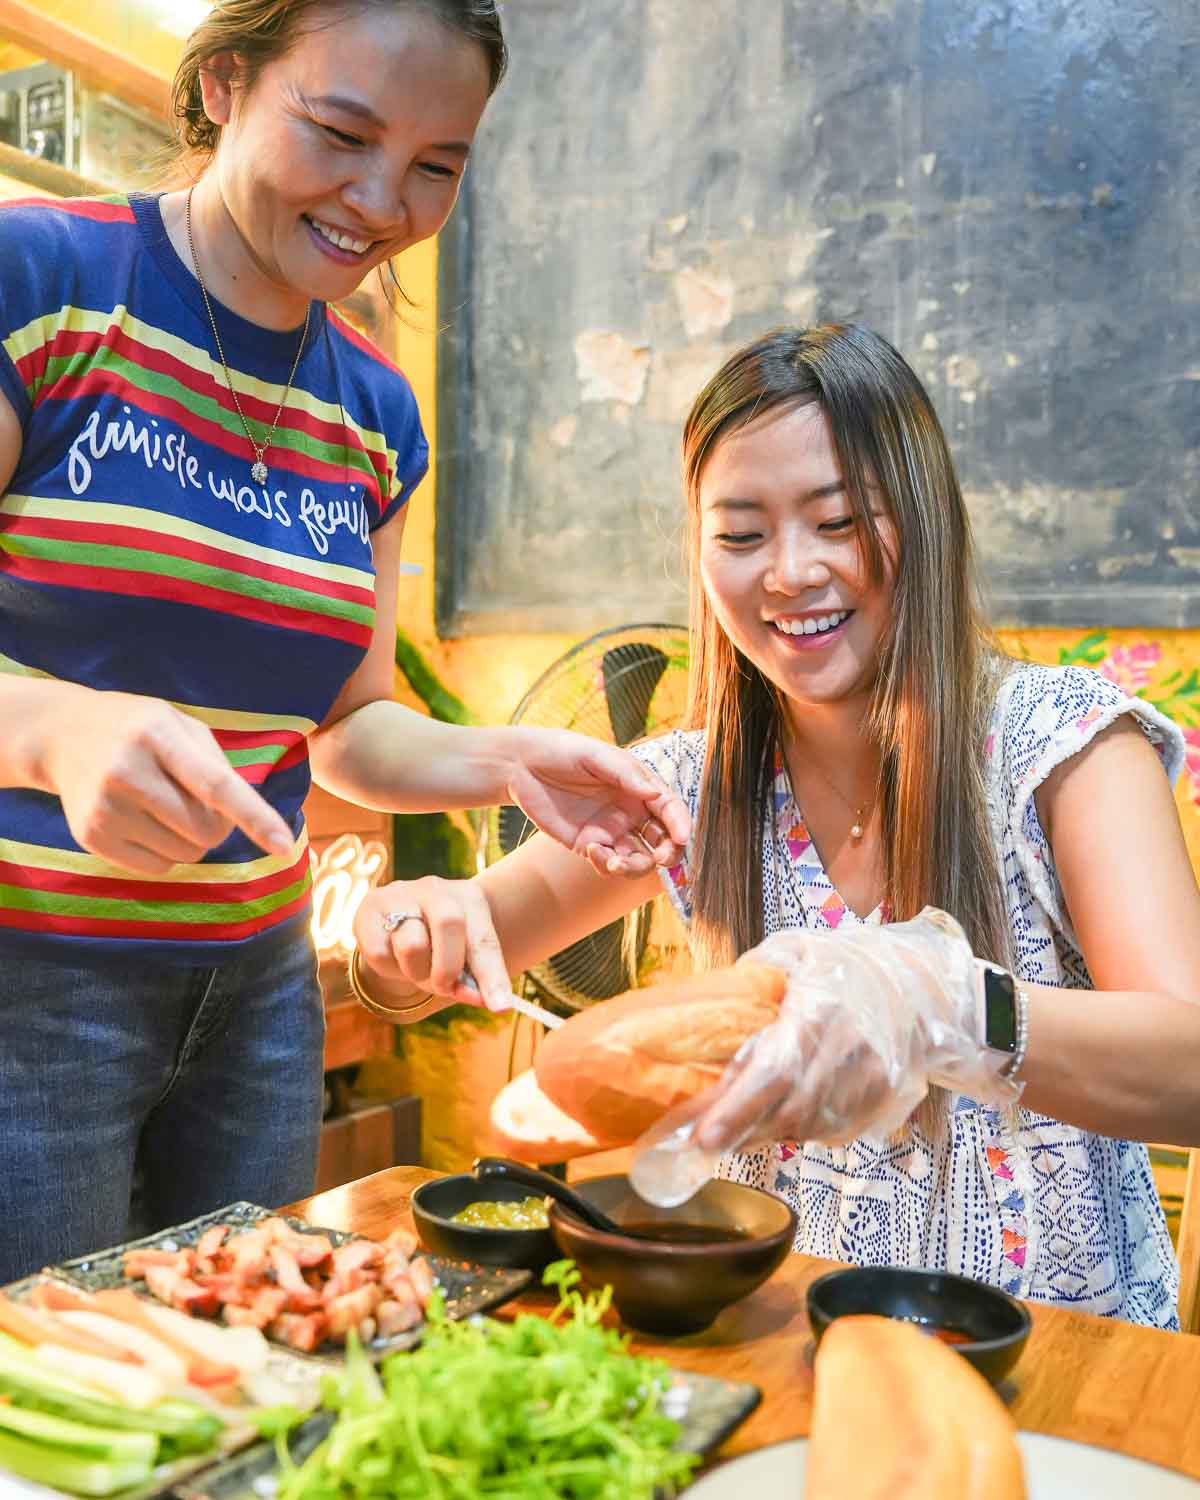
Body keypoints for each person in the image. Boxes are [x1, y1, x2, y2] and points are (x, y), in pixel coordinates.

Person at [0, 0, 689, 1284]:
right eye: (341, 132)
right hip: (31, 979)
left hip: (253, 993)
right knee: (54, 1408)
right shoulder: (39, 279)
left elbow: (349, 729)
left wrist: (510, 759)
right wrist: (57, 730)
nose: (381, 201)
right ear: (219, 86)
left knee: (240, 1377)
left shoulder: (372, 407)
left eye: (437, 165)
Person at [352, 323, 1200, 1329]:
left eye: (837, 521)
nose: (788, 574)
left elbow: (1188, 1065)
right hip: (788, 1349)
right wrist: (406, 930)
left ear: (921, 518)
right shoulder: (690, 787)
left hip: (1061, 1362)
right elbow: (435, 958)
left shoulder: (1062, 748)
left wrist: (944, 1005)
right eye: (742, 535)